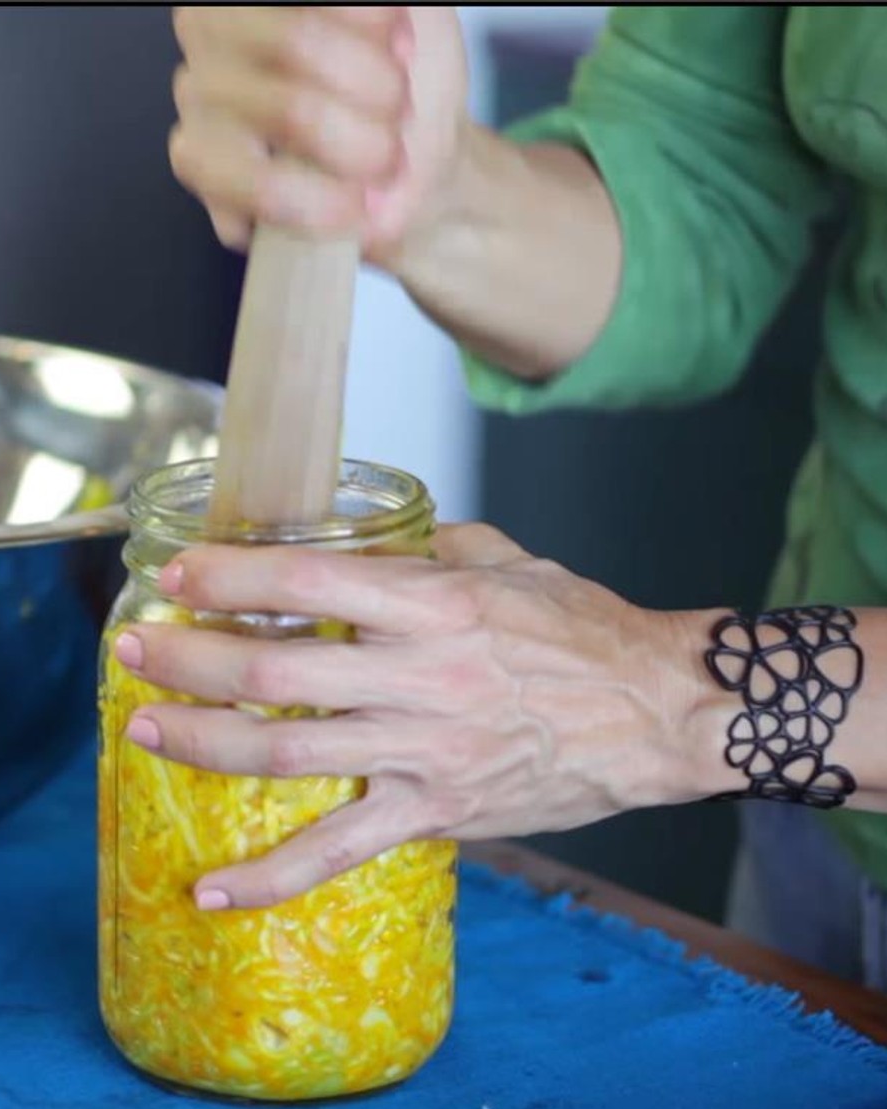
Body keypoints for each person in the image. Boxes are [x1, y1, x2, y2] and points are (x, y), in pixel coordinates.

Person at [111, 5, 887, 991]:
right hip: (815, 830)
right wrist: (431, 194)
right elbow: (704, 185)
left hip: (782, 731)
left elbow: (681, 704)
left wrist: (674, 698)